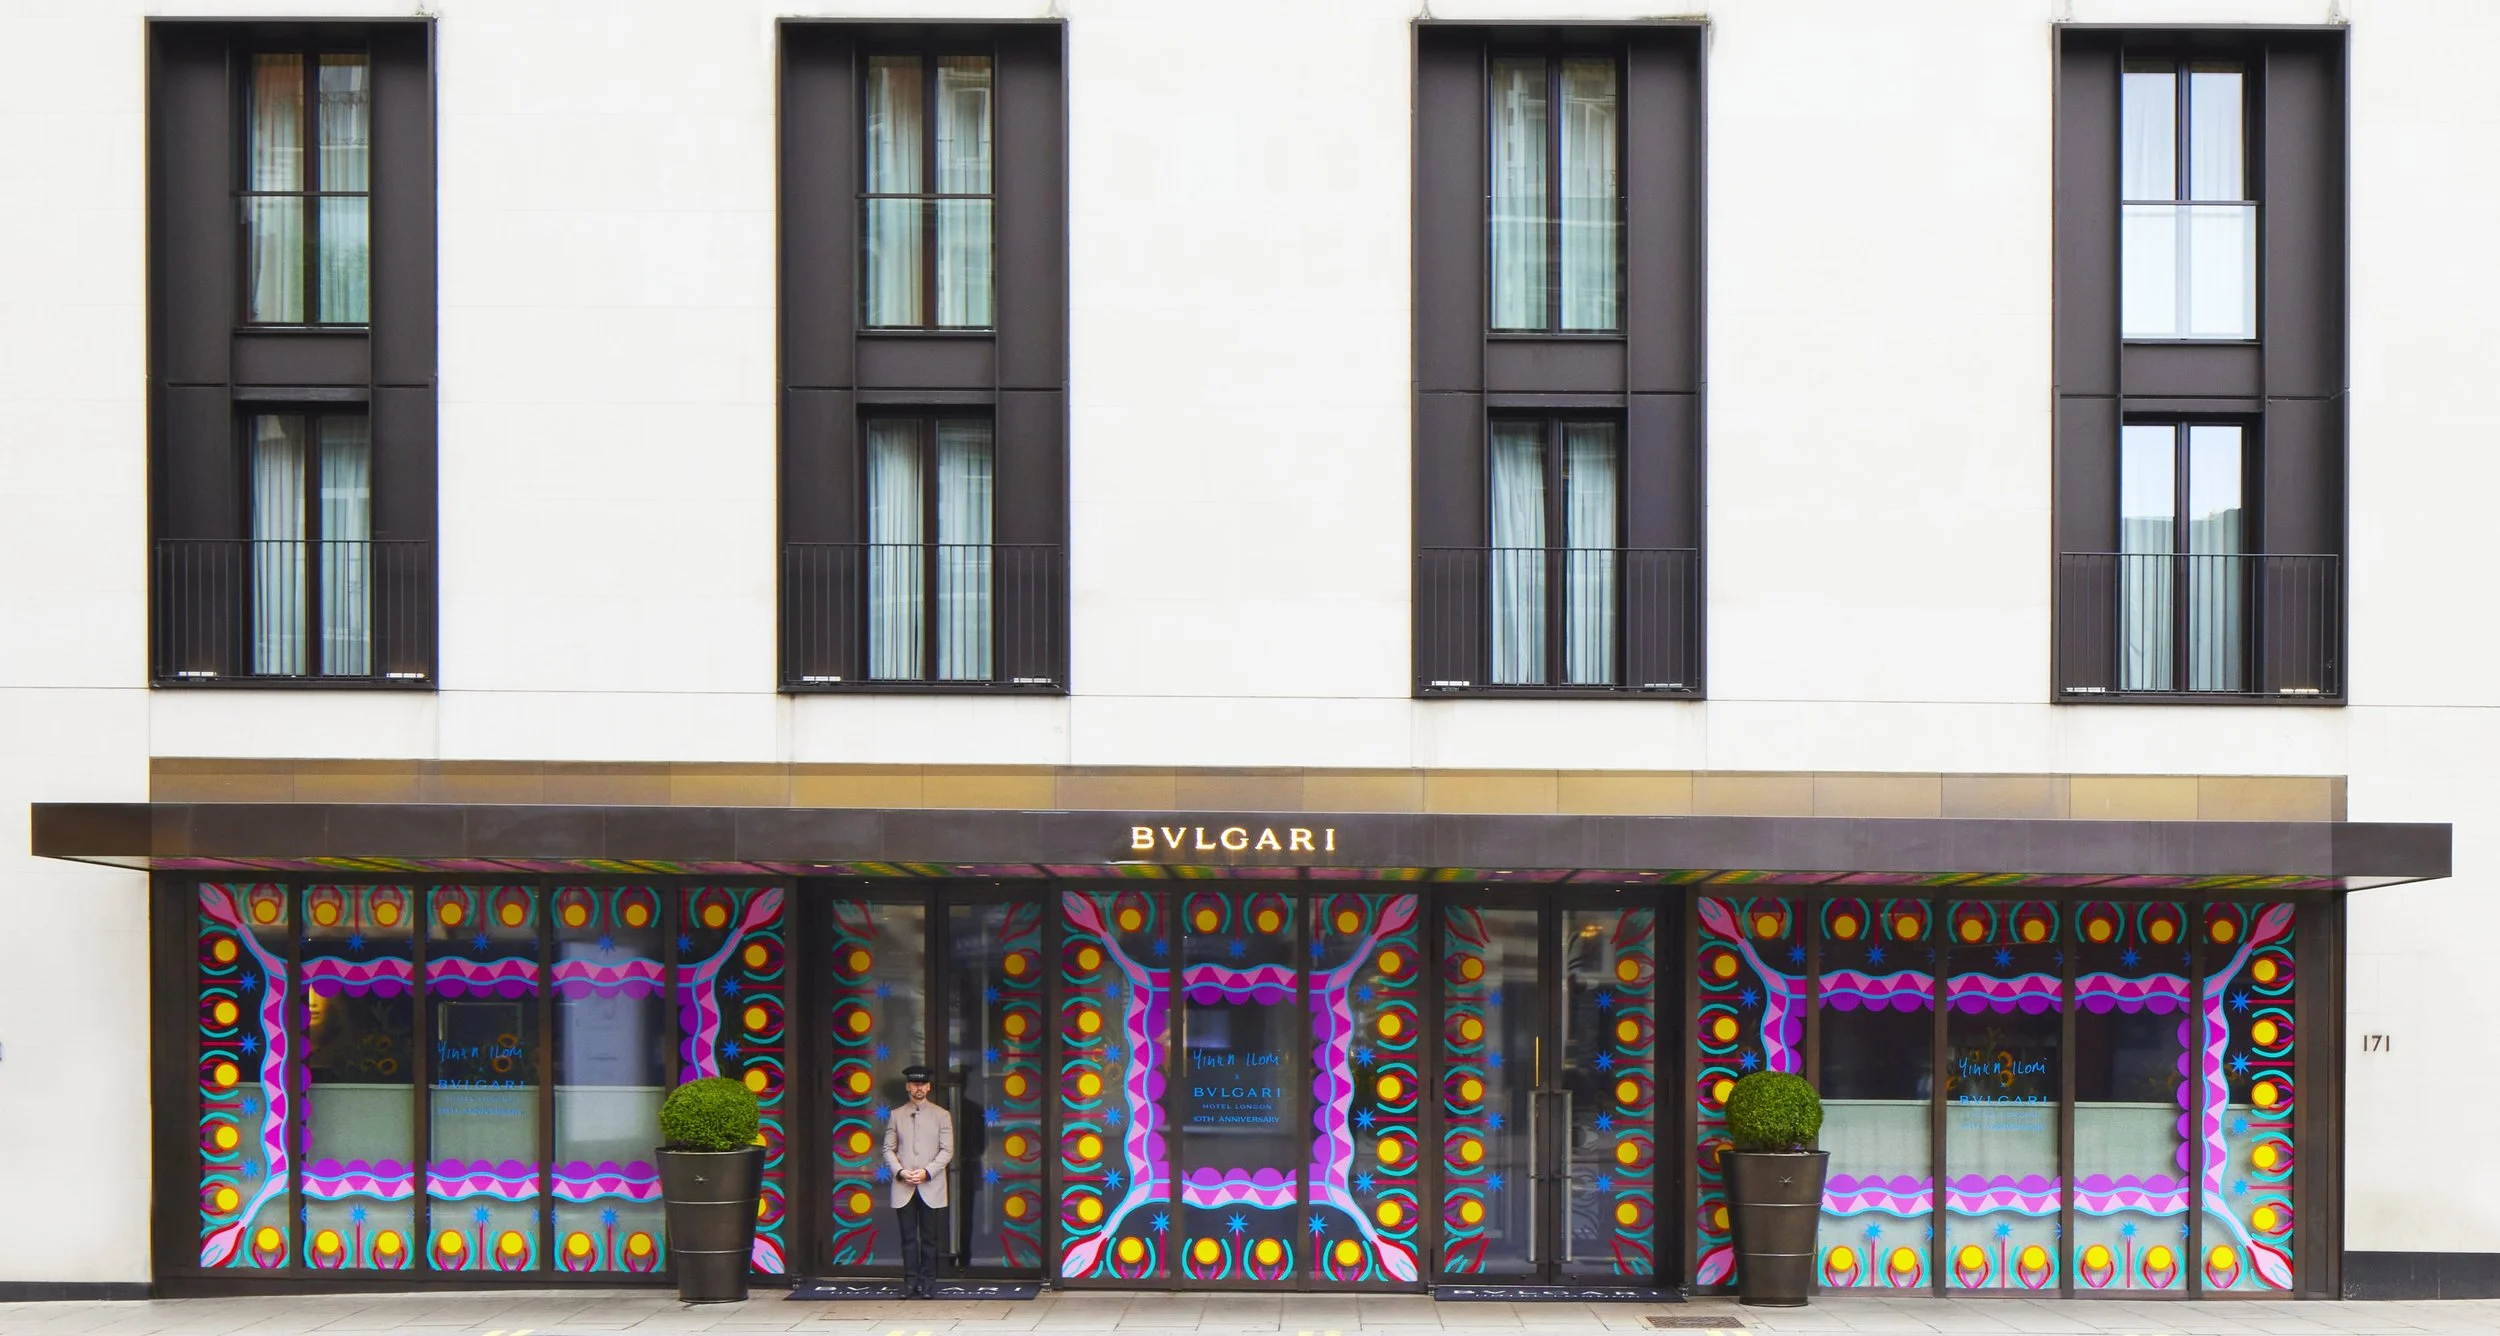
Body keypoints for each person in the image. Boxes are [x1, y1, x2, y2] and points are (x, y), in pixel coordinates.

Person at [881, 1064, 953, 1299]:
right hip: (904, 1185)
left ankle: (928, 1283)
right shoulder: (896, 1115)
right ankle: (910, 1282)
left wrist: (927, 1172)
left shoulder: (942, 1115)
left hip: (931, 1185)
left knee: (930, 1239)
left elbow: (947, 1150)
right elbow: (888, 1149)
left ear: (929, 1087)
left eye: (922, 1084)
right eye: (914, 1084)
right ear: (908, 1087)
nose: (918, 1088)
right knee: (908, 1238)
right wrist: (901, 1172)